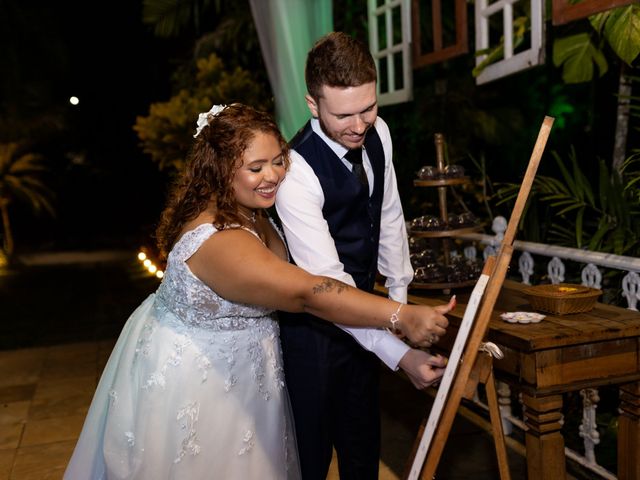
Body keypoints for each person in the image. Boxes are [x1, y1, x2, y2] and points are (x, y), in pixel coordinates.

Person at [64, 103, 452, 480]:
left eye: (278, 160)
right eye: (255, 167)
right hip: (202, 386)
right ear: (219, 170)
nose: (273, 175)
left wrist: (400, 354)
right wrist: (400, 315)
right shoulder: (220, 240)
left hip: (249, 375)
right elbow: (306, 292)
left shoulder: (250, 207)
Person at [275, 32, 452, 479]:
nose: (359, 125)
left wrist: (400, 297)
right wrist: (398, 341)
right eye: (344, 115)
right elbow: (328, 285)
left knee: (362, 452)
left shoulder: (379, 132)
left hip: (369, 318)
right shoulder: (294, 174)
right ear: (313, 104)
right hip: (312, 331)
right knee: (311, 461)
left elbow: (388, 213)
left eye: (368, 108)